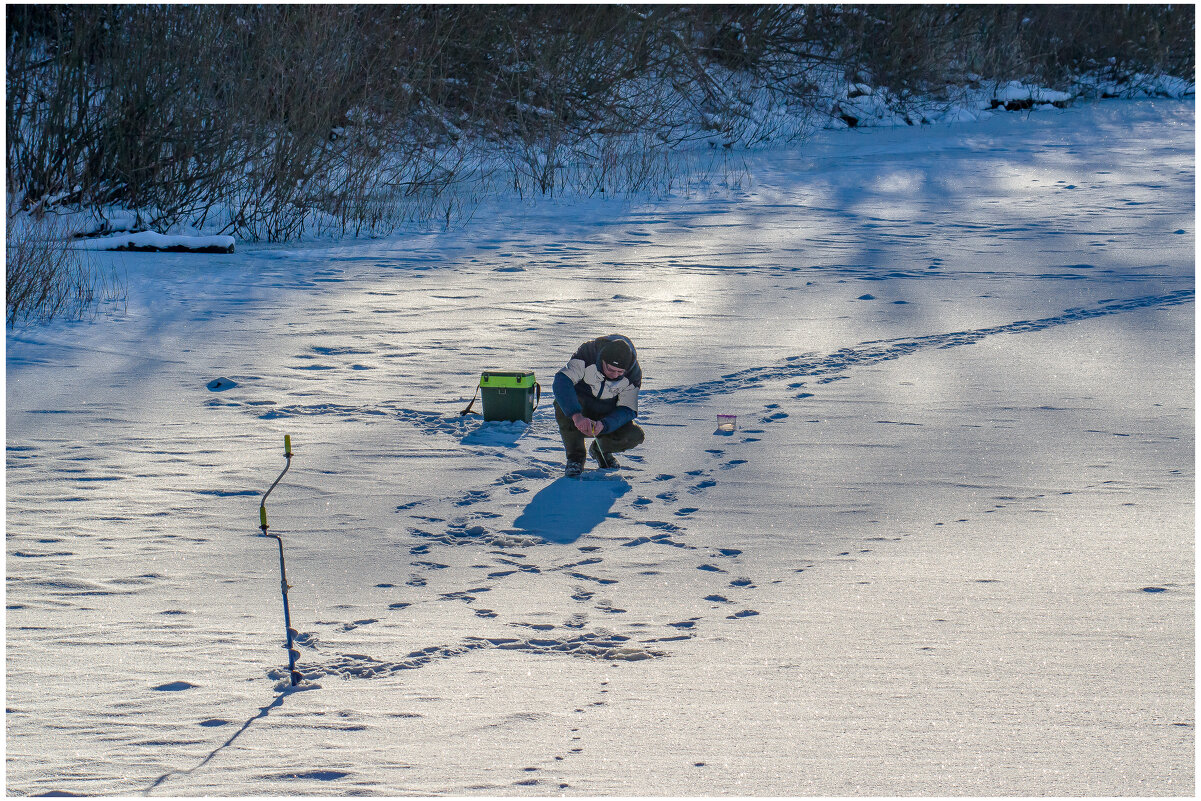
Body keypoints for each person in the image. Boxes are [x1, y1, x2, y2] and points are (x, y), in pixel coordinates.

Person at [552, 334, 644, 476]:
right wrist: (576, 416)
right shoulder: (587, 353)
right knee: (562, 405)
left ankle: (601, 451)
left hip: (607, 413)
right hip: (581, 407)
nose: (614, 375)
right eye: (611, 369)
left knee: (635, 435)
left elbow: (628, 409)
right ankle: (575, 458)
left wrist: (605, 425)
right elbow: (562, 381)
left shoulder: (633, 373)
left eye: (620, 372)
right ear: (602, 360)